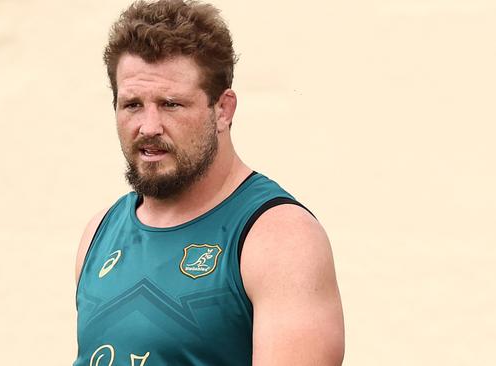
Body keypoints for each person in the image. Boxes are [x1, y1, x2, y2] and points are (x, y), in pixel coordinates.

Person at [73, 1, 344, 365]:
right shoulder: (100, 232)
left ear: (223, 109)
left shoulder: (279, 238)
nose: (149, 126)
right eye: (133, 104)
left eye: (171, 104)